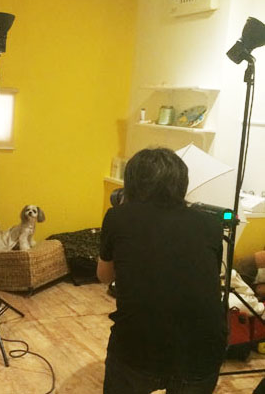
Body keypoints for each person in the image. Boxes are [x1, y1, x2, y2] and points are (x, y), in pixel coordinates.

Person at [97, 147, 227, 394]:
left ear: (131, 183)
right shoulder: (211, 224)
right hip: (204, 352)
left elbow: (104, 276)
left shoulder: (117, 217)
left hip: (138, 350)